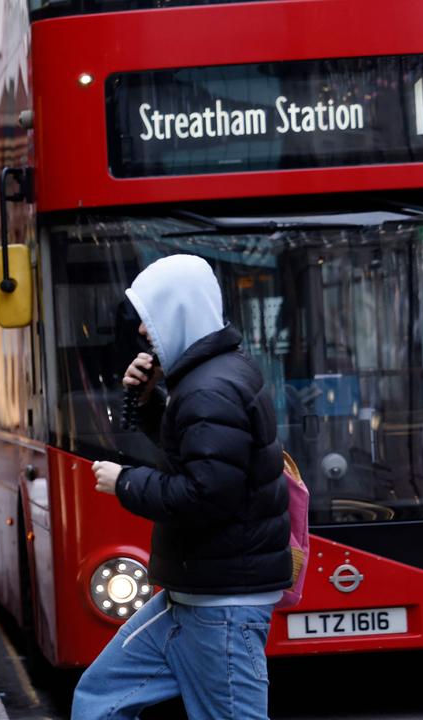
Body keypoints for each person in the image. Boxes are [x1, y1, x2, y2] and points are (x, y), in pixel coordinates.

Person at [72, 254, 291, 720]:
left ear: (179, 314)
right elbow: (199, 454)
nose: (143, 333)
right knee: (98, 700)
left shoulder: (210, 388)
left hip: (222, 607)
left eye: (151, 319)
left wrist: (125, 481)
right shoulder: (211, 378)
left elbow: (206, 495)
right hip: (192, 595)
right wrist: (149, 404)